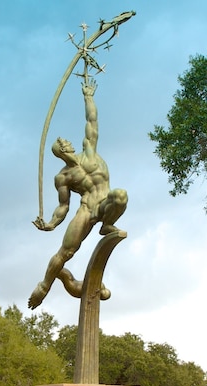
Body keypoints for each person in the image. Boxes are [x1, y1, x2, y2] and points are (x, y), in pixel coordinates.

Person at [29, 77, 127, 309]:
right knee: (65, 251)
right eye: (63, 141)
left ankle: (106, 224)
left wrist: (88, 97)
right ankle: (44, 286)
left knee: (120, 195)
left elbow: (92, 121)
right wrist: (51, 224)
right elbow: (63, 206)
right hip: (86, 209)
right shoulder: (62, 177)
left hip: (105, 203)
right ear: (62, 150)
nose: (67, 140)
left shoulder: (89, 151)